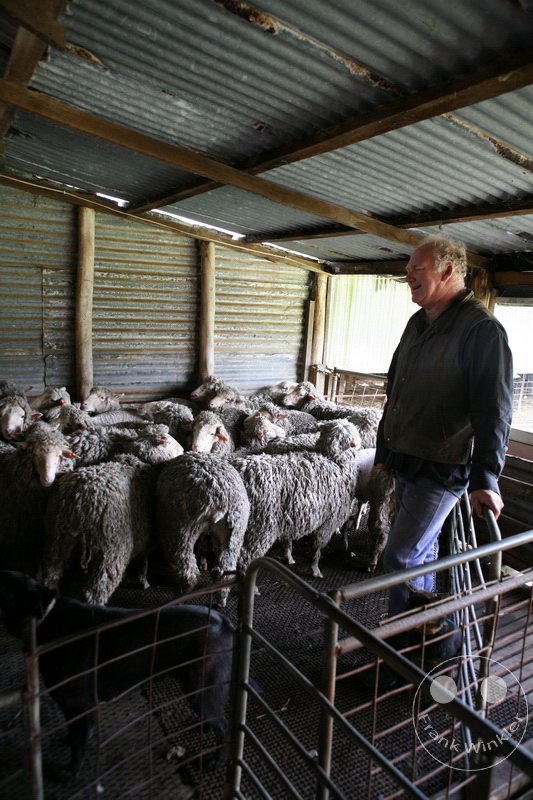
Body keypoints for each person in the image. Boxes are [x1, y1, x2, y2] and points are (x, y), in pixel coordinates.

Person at [374, 234, 514, 629]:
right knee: (420, 553)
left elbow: (494, 410)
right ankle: (427, 638)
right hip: (408, 459)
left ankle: (401, 642)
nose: (408, 277)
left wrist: (486, 478)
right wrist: (386, 450)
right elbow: (396, 387)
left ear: (448, 271)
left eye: (417, 269)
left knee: (400, 558)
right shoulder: (418, 323)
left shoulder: (482, 330)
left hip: (442, 465)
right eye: (407, 271)